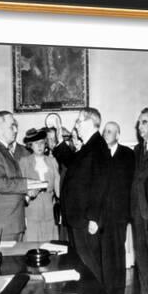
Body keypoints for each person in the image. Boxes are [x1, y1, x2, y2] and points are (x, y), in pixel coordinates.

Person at [53, 107, 110, 282]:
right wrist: (58, 135)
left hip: (86, 218)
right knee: (83, 262)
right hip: (78, 216)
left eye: (79, 121)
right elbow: (72, 162)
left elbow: (101, 184)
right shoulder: (89, 146)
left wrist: (93, 218)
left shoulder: (98, 146)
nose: (76, 125)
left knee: (90, 262)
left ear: (90, 122)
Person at [0, 111, 40, 241]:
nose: (15, 130)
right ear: (0, 128)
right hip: (3, 223)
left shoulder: (6, 152)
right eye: (11, 126)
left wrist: (27, 194)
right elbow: (2, 185)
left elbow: (13, 185)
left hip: (13, 222)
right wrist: (28, 184)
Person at [101, 122, 135, 294]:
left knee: (118, 252)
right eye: (105, 131)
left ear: (118, 134)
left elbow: (130, 185)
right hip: (103, 215)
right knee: (105, 253)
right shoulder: (99, 155)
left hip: (120, 213)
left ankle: (119, 291)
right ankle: (106, 290)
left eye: (110, 131)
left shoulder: (128, 155)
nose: (106, 134)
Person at [131, 107, 148, 294]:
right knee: (140, 253)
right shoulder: (137, 150)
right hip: (136, 210)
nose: (140, 126)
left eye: (144, 122)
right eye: (139, 122)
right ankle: (147, 292)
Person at [19, 129, 60, 242]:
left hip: (49, 211)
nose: (40, 146)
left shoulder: (52, 161)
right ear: (30, 145)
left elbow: (58, 187)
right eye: (36, 143)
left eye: (42, 142)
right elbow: (20, 187)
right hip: (31, 210)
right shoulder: (24, 162)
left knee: (50, 246)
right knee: (32, 245)